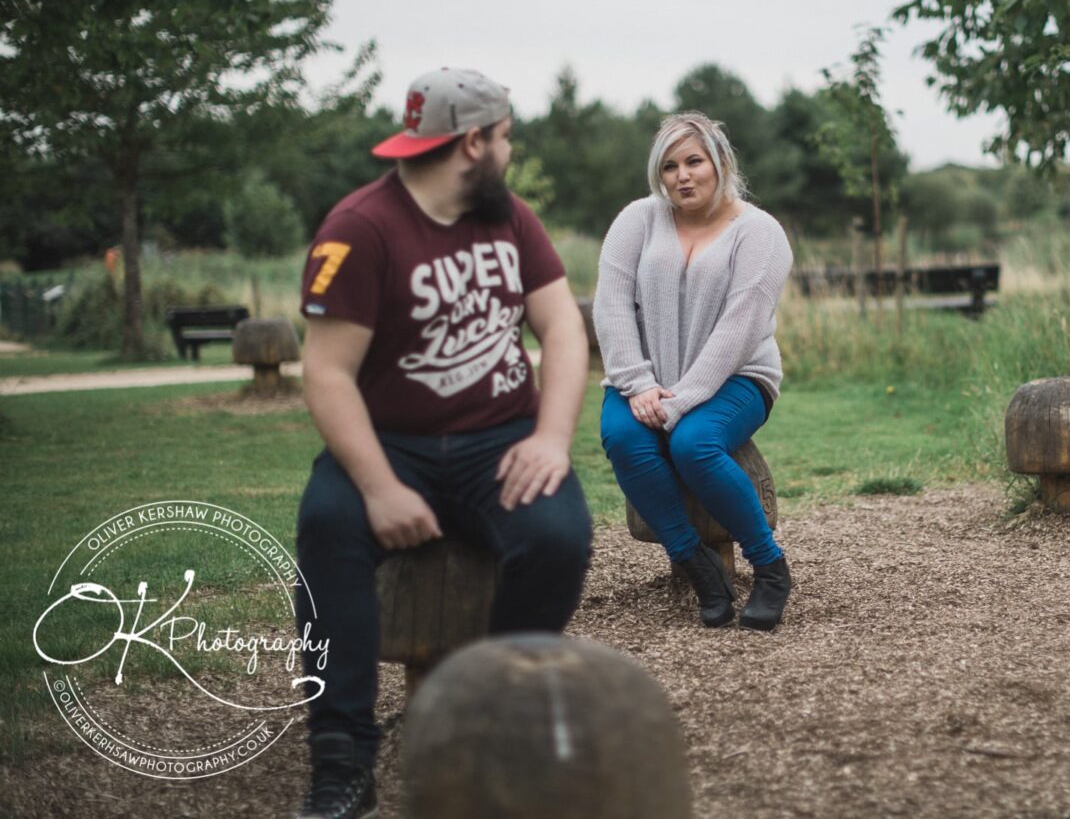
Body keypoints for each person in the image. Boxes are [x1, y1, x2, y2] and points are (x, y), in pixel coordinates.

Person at [292, 67, 592, 819]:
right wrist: (378, 489)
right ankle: (341, 758)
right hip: (392, 443)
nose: (510, 151)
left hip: (500, 440)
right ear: (472, 143)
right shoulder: (361, 229)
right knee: (328, 529)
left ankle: (494, 717)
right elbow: (326, 373)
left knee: (557, 536)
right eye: (506, 138)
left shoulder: (510, 218)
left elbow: (561, 326)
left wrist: (551, 439)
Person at [593, 111, 794, 631]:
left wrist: (681, 401)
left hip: (737, 378)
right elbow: (611, 305)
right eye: (669, 166)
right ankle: (696, 565)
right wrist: (637, 383)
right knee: (622, 437)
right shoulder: (637, 220)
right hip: (644, 377)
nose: (682, 176)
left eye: (694, 162)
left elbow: (741, 326)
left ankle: (769, 567)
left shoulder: (760, 232)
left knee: (693, 444)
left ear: (721, 162)